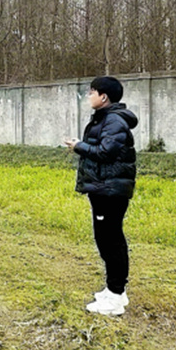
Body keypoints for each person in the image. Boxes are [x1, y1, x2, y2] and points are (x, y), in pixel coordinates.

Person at [63, 76, 138, 316]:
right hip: (103, 187)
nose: (88, 96)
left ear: (103, 96)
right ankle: (115, 290)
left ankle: (115, 297)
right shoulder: (105, 119)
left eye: (91, 92)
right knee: (106, 238)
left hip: (110, 190)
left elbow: (106, 152)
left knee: (110, 240)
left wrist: (79, 146)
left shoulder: (113, 120)